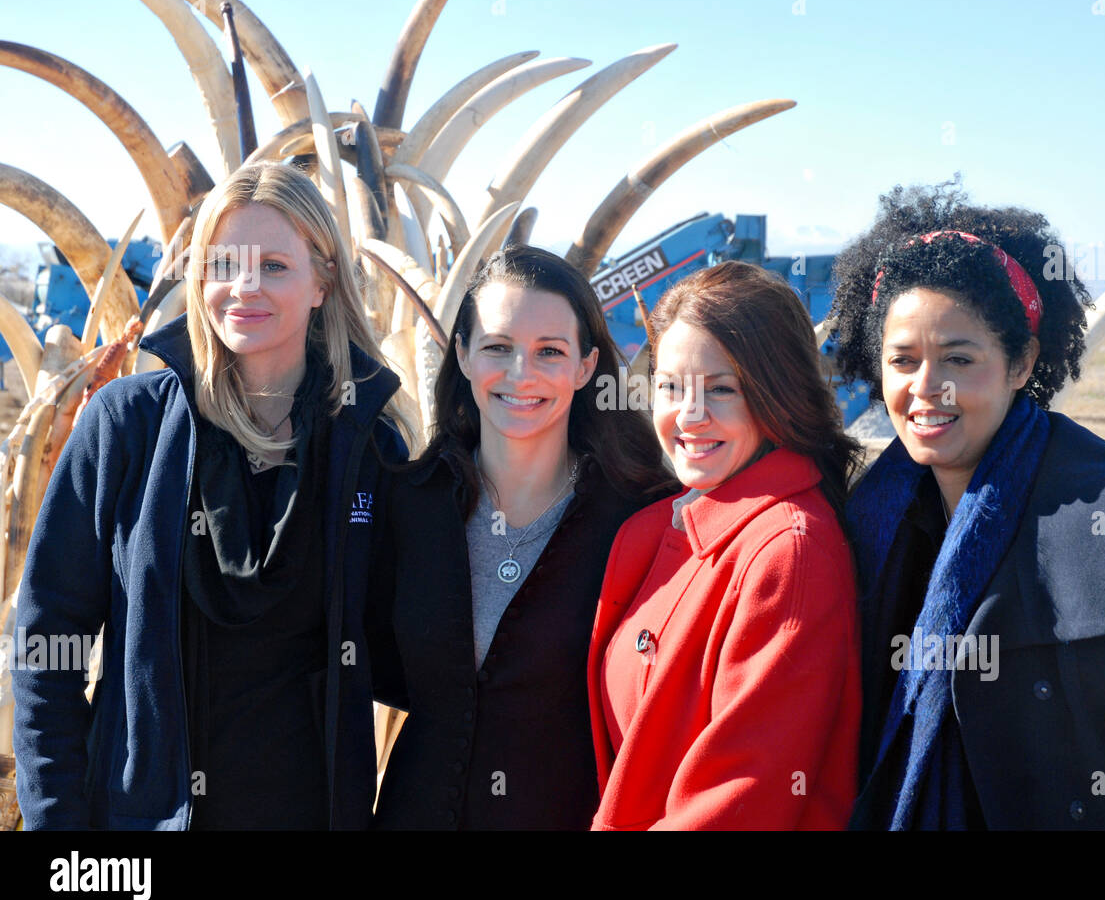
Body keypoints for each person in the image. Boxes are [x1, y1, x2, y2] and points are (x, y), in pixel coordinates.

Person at [831, 179, 1105, 829]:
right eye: (902, 360)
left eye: (959, 359)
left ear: (1023, 362)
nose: (925, 388)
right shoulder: (867, 531)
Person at [12, 161, 408, 829]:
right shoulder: (125, 426)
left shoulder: (369, 446)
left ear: (324, 280)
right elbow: (46, 647)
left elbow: (423, 665)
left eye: (275, 266)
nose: (243, 288)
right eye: (223, 263)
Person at [368, 245, 673, 830]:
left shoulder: (640, 521)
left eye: (549, 352)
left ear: (586, 366)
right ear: (461, 355)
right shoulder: (411, 503)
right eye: (497, 347)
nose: (520, 374)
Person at [587, 261, 862, 830]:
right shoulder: (651, 529)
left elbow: (740, 802)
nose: (689, 416)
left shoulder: (789, 553)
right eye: (670, 387)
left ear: (777, 395)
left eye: (720, 389)